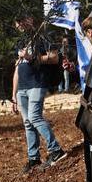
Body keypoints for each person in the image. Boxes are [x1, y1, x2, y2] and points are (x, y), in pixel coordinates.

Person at [11, 16, 65, 172]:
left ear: (30, 19)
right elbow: (17, 68)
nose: (19, 23)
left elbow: (55, 58)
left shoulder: (43, 36)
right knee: (28, 123)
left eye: (21, 20)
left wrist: (32, 57)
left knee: (35, 117)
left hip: (37, 83)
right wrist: (13, 95)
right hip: (22, 87)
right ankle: (33, 158)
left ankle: (56, 150)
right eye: (17, 21)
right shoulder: (21, 42)